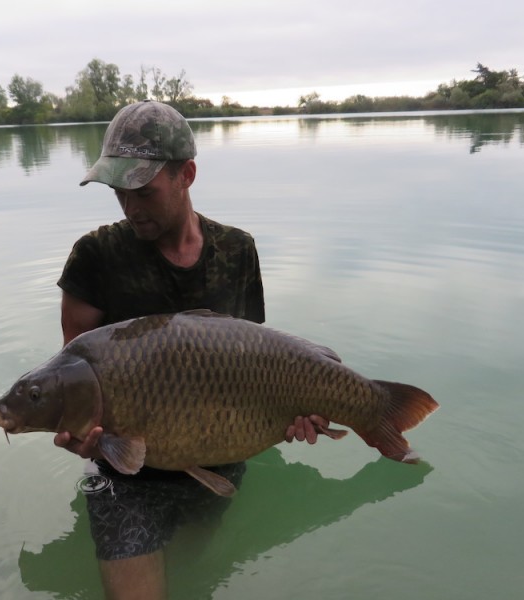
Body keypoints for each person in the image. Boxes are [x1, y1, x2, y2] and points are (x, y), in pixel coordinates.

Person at [53, 100, 329, 600]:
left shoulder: (237, 250)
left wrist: (292, 414)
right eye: (118, 190)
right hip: (125, 471)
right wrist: (79, 434)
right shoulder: (94, 257)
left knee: (193, 578)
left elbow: (257, 367)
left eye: (143, 190)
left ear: (187, 174)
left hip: (219, 457)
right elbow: (72, 378)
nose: (130, 206)